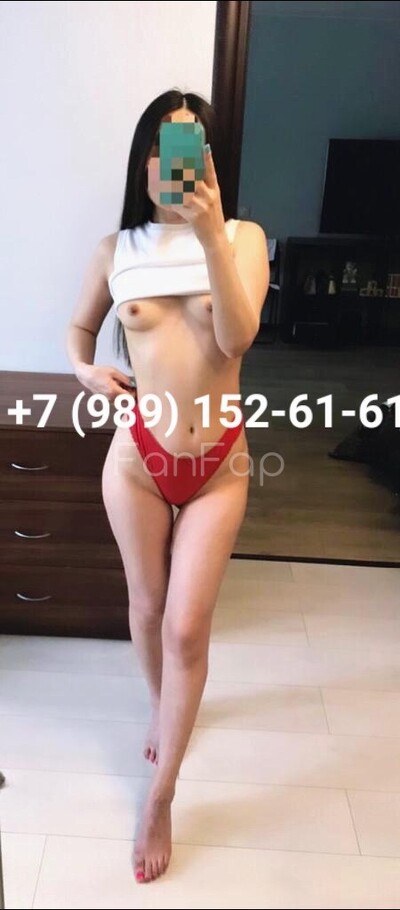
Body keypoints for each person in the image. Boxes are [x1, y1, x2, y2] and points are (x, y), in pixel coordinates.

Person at [66, 88, 269, 884]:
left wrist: (210, 230)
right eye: (163, 147)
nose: (175, 163)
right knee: (147, 610)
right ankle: (162, 710)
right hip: (137, 459)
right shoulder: (116, 250)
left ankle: (161, 794)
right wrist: (85, 369)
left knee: (187, 628)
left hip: (219, 463)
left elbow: (236, 337)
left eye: (192, 147)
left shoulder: (244, 239)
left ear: (211, 160)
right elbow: (80, 327)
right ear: (144, 160)